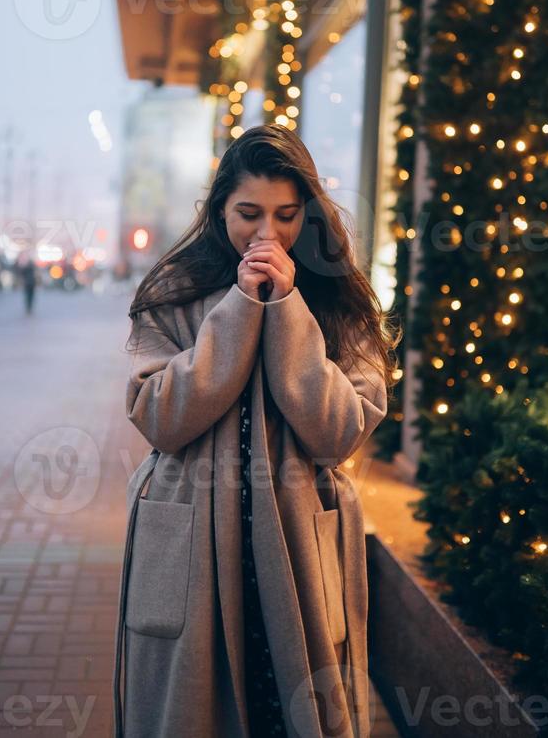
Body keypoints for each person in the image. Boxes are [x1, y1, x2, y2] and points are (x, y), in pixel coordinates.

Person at [113, 125, 400, 738]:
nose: (266, 234)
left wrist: (288, 309)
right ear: (218, 210)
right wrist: (240, 310)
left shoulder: (337, 299)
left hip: (297, 549)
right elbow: (161, 417)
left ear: (309, 215)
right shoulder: (175, 292)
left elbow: (338, 432)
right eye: (248, 214)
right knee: (189, 715)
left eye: (286, 215)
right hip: (190, 543)